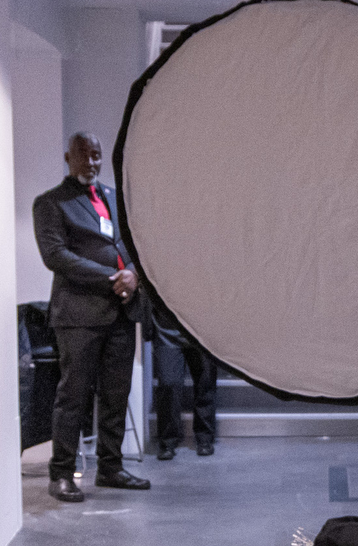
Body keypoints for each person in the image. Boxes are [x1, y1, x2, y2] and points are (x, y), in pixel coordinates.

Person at [33, 133, 150, 500]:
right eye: (83, 156)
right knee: (74, 397)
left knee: (117, 394)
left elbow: (135, 241)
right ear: (68, 157)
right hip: (79, 315)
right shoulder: (51, 203)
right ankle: (61, 474)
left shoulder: (116, 198)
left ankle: (111, 468)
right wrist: (111, 278)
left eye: (96, 156)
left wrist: (133, 272)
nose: (91, 163)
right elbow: (55, 255)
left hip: (120, 311)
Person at [147, 290, 220, 459]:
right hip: (167, 324)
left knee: (205, 381)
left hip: (203, 324)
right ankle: (167, 440)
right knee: (168, 383)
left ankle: (205, 438)